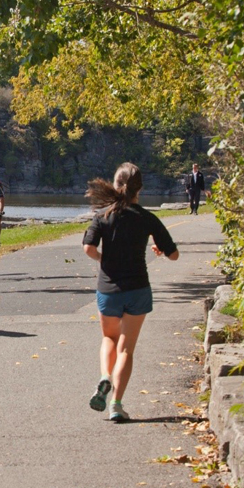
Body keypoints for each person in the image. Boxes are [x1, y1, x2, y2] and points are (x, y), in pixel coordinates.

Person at [82, 162, 179, 422]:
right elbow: (174, 255)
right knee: (126, 349)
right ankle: (116, 404)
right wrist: (160, 250)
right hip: (137, 289)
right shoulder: (147, 217)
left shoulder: (102, 216)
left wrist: (104, 259)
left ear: (115, 186)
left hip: (109, 289)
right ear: (140, 189)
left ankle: (104, 377)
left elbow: (88, 249)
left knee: (109, 339)